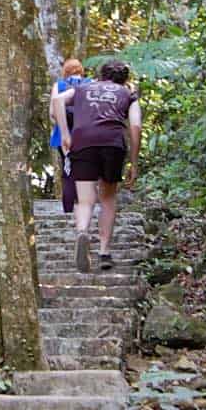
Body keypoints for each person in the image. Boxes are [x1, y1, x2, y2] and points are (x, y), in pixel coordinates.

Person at [55, 58, 141, 272]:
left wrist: (65, 133)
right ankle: (104, 251)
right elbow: (136, 126)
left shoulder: (83, 88)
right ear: (125, 78)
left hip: (83, 141)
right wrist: (134, 162)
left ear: (101, 74)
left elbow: (57, 101)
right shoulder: (128, 94)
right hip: (112, 143)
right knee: (108, 197)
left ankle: (82, 231)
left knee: (84, 200)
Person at [48, 55, 85, 215]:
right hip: (85, 134)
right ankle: (84, 208)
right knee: (84, 172)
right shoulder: (89, 84)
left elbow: (52, 112)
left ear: (66, 72)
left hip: (63, 134)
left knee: (68, 170)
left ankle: (68, 210)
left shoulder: (59, 85)